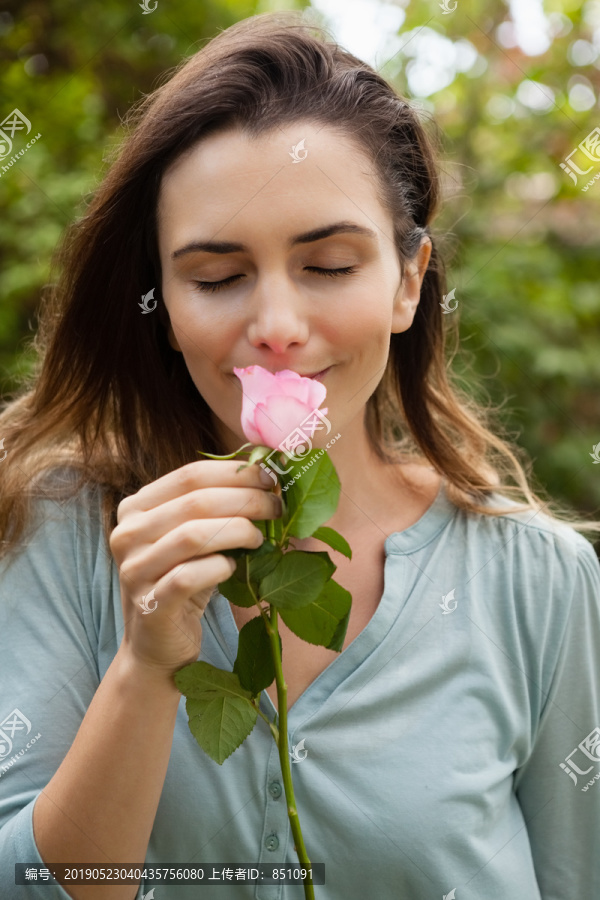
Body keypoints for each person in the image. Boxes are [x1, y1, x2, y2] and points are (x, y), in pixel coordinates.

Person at [0, 10, 599, 900]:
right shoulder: (65, 533)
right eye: (214, 277)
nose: (276, 327)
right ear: (159, 302)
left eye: (327, 265)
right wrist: (148, 664)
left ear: (407, 281)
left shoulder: (539, 582)